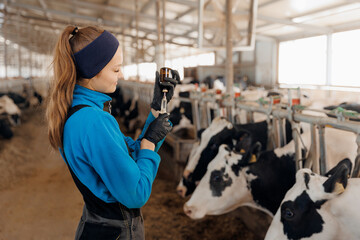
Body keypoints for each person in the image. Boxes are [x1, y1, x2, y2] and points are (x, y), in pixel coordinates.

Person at [46, 25, 179, 240]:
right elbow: (136, 193)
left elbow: (127, 157)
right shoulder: (94, 122)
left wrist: (156, 109)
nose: (121, 74)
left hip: (97, 225)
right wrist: (150, 143)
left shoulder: (78, 113)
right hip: (115, 232)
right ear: (92, 71)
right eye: (116, 70)